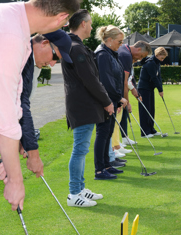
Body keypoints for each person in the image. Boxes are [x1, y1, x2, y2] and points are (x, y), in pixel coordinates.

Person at [0, 0, 79, 235]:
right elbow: (5, 114)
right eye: (57, 58)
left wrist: (3, 154)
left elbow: (11, 106)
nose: (54, 63)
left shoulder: (10, 23)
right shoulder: (9, 36)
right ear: (61, 17)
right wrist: (15, 179)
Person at [61, 10, 114, 206]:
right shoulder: (75, 47)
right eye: (90, 23)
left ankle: (80, 188)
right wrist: (107, 102)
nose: (92, 27)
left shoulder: (75, 46)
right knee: (80, 149)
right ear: (83, 24)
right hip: (82, 106)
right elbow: (90, 80)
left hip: (83, 105)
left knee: (81, 149)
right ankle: (74, 193)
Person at [94, 25, 127, 179]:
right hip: (104, 101)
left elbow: (116, 78)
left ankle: (107, 165)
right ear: (109, 40)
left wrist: (117, 99)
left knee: (107, 134)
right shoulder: (102, 54)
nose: (121, 45)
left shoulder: (110, 53)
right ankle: (100, 170)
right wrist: (118, 97)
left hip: (111, 100)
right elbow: (106, 81)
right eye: (119, 42)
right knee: (103, 134)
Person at [118, 41, 152, 146]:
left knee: (122, 114)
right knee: (118, 114)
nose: (140, 59)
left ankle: (124, 138)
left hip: (119, 89)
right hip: (117, 90)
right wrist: (127, 102)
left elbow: (130, 78)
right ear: (138, 49)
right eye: (141, 55)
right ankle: (115, 146)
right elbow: (124, 81)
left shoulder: (127, 53)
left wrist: (135, 91)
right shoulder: (126, 55)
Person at [137, 47, 168, 137]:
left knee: (151, 109)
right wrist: (160, 90)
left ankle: (151, 129)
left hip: (150, 89)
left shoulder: (157, 63)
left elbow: (159, 77)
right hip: (143, 89)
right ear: (157, 55)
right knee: (144, 110)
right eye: (162, 58)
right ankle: (144, 132)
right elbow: (154, 77)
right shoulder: (150, 63)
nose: (162, 60)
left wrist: (160, 89)